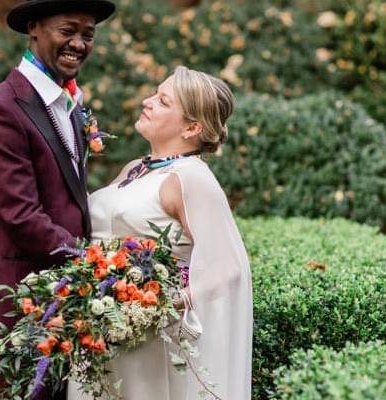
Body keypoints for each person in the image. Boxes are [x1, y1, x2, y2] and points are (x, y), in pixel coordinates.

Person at [68, 66, 253, 399]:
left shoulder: (190, 179)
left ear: (192, 127)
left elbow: (228, 267)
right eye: (155, 94)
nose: (147, 101)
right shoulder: (136, 169)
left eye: (163, 101)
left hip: (146, 338)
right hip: (101, 327)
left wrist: (160, 304)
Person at [0, 0, 116, 398]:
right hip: (16, 311)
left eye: (88, 34)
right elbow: (20, 216)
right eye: (67, 30)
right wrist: (94, 262)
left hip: (64, 311)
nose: (79, 44)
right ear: (33, 28)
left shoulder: (68, 106)